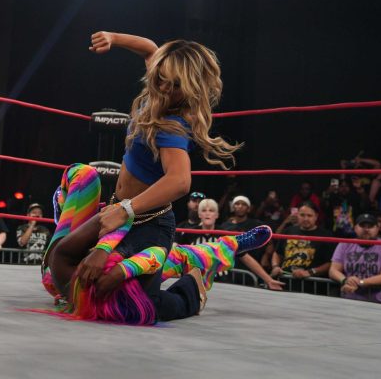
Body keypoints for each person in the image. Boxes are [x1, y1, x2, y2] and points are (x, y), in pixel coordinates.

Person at [40, 35, 243, 324]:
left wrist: (126, 210)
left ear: (189, 88)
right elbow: (149, 48)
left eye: (175, 85)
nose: (164, 88)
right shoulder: (155, 93)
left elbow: (180, 181)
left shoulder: (171, 127)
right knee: (60, 261)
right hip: (119, 210)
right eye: (161, 78)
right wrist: (113, 38)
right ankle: (171, 260)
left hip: (150, 223)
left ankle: (192, 288)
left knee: (136, 307)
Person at [39, 166, 272, 325]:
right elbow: (157, 253)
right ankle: (227, 248)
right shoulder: (135, 303)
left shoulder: (58, 269)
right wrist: (122, 269)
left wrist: (103, 249)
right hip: (130, 282)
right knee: (174, 258)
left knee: (85, 174)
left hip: (71, 261)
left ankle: (64, 205)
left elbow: (115, 213)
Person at [182, 198, 284, 290]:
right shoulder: (189, 234)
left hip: (222, 284)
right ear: (199, 214)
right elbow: (177, 254)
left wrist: (268, 280)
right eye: (204, 210)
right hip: (194, 283)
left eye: (211, 210)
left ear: (217, 215)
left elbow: (245, 257)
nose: (207, 214)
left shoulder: (225, 235)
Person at [328, 213, 381, 305]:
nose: (366, 229)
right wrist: (345, 280)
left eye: (370, 226)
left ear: (377, 229)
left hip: (380, 301)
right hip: (350, 298)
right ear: (355, 228)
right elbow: (333, 270)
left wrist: (360, 282)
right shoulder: (344, 244)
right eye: (362, 226)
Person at [270, 202, 335, 281]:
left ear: (316, 216)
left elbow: (331, 263)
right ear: (297, 215)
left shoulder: (326, 235)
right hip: (285, 280)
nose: (305, 219)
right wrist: (275, 266)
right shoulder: (288, 231)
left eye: (309, 215)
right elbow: (277, 253)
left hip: (310, 283)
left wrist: (310, 272)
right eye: (302, 215)